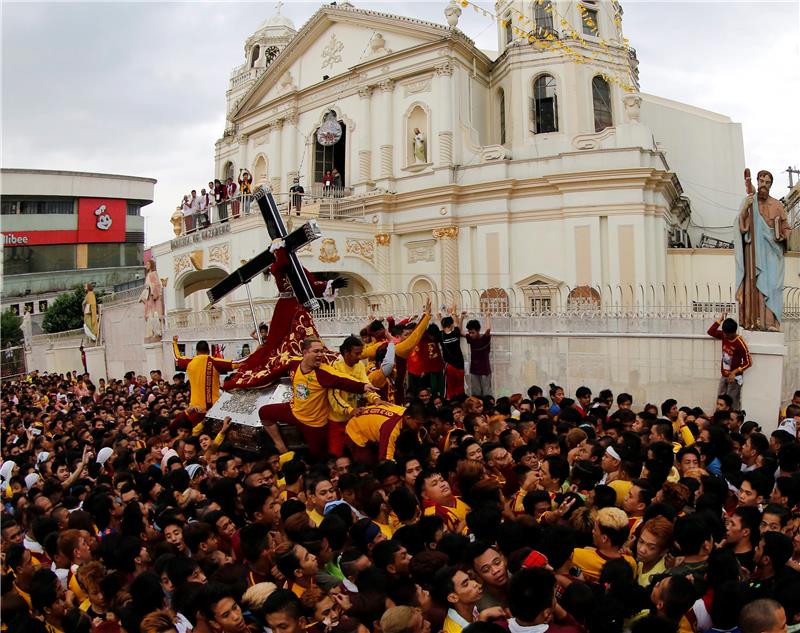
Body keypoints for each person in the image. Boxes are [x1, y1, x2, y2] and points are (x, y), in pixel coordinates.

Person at [257, 337, 378, 459]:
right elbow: (273, 371)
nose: (320, 355)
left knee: (318, 457)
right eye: (316, 351)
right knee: (264, 412)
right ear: (305, 353)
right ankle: (281, 448)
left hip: (315, 424)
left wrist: (364, 386)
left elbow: (343, 380)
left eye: (322, 351)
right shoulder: (294, 364)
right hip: (294, 411)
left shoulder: (324, 373)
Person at [735, 169, 791, 331]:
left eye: (768, 182)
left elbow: (787, 228)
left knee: (773, 286)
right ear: (757, 182)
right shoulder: (749, 202)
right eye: (761, 182)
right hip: (754, 252)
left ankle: (771, 321)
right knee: (755, 285)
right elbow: (741, 225)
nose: (764, 185)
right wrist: (745, 209)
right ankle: (754, 320)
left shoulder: (778, 205)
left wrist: (782, 235)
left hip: (773, 253)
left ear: (771, 185)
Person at [172, 336, 240, 413]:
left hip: (195, 409)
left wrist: (174, 342)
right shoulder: (215, 362)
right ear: (209, 351)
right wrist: (255, 355)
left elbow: (177, 358)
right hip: (213, 410)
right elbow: (237, 363)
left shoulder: (189, 363)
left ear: (196, 352)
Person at [708, 314, 751, 410]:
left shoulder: (740, 343)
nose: (726, 336)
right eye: (725, 333)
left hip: (734, 378)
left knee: (731, 402)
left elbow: (748, 362)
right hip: (724, 375)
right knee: (720, 401)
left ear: (734, 332)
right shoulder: (724, 335)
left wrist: (735, 372)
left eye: (728, 334)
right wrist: (720, 320)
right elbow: (711, 332)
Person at [440, 307, 467, 399]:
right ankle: (460, 400)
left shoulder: (441, 335)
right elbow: (458, 327)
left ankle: (450, 401)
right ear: (451, 325)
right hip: (460, 364)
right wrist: (460, 317)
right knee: (460, 386)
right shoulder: (455, 332)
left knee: (450, 387)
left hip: (449, 365)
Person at [466, 317, 492, 397]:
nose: (471, 335)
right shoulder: (471, 339)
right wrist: (461, 318)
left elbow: (488, 329)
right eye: (469, 332)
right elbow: (460, 331)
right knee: (476, 393)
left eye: (473, 332)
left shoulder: (484, 339)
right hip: (474, 370)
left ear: (478, 331)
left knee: (486, 393)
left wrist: (487, 316)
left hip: (485, 371)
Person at [142, 259, 164, 343]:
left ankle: (156, 332)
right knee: (149, 316)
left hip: (152, 297)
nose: (146, 266)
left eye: (148, 264)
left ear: (151, 265)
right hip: (148, 298)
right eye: (146, 264)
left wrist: (151, 289)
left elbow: (157, 285)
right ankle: (150, 333)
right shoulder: (148, 275)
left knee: (154, 315)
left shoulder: (153, 274)